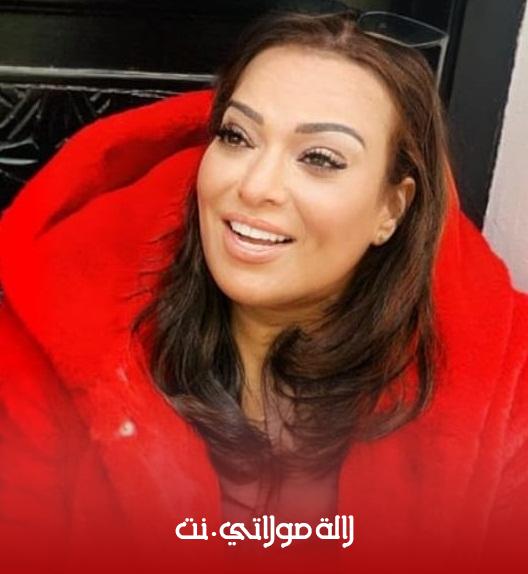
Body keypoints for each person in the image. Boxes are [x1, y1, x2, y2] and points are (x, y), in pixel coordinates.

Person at [0, 10, 527, 574]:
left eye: (319, 158)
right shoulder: (54, 338)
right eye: (237, 137)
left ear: (391, 208)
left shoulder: (503, 392)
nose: (254, 186)